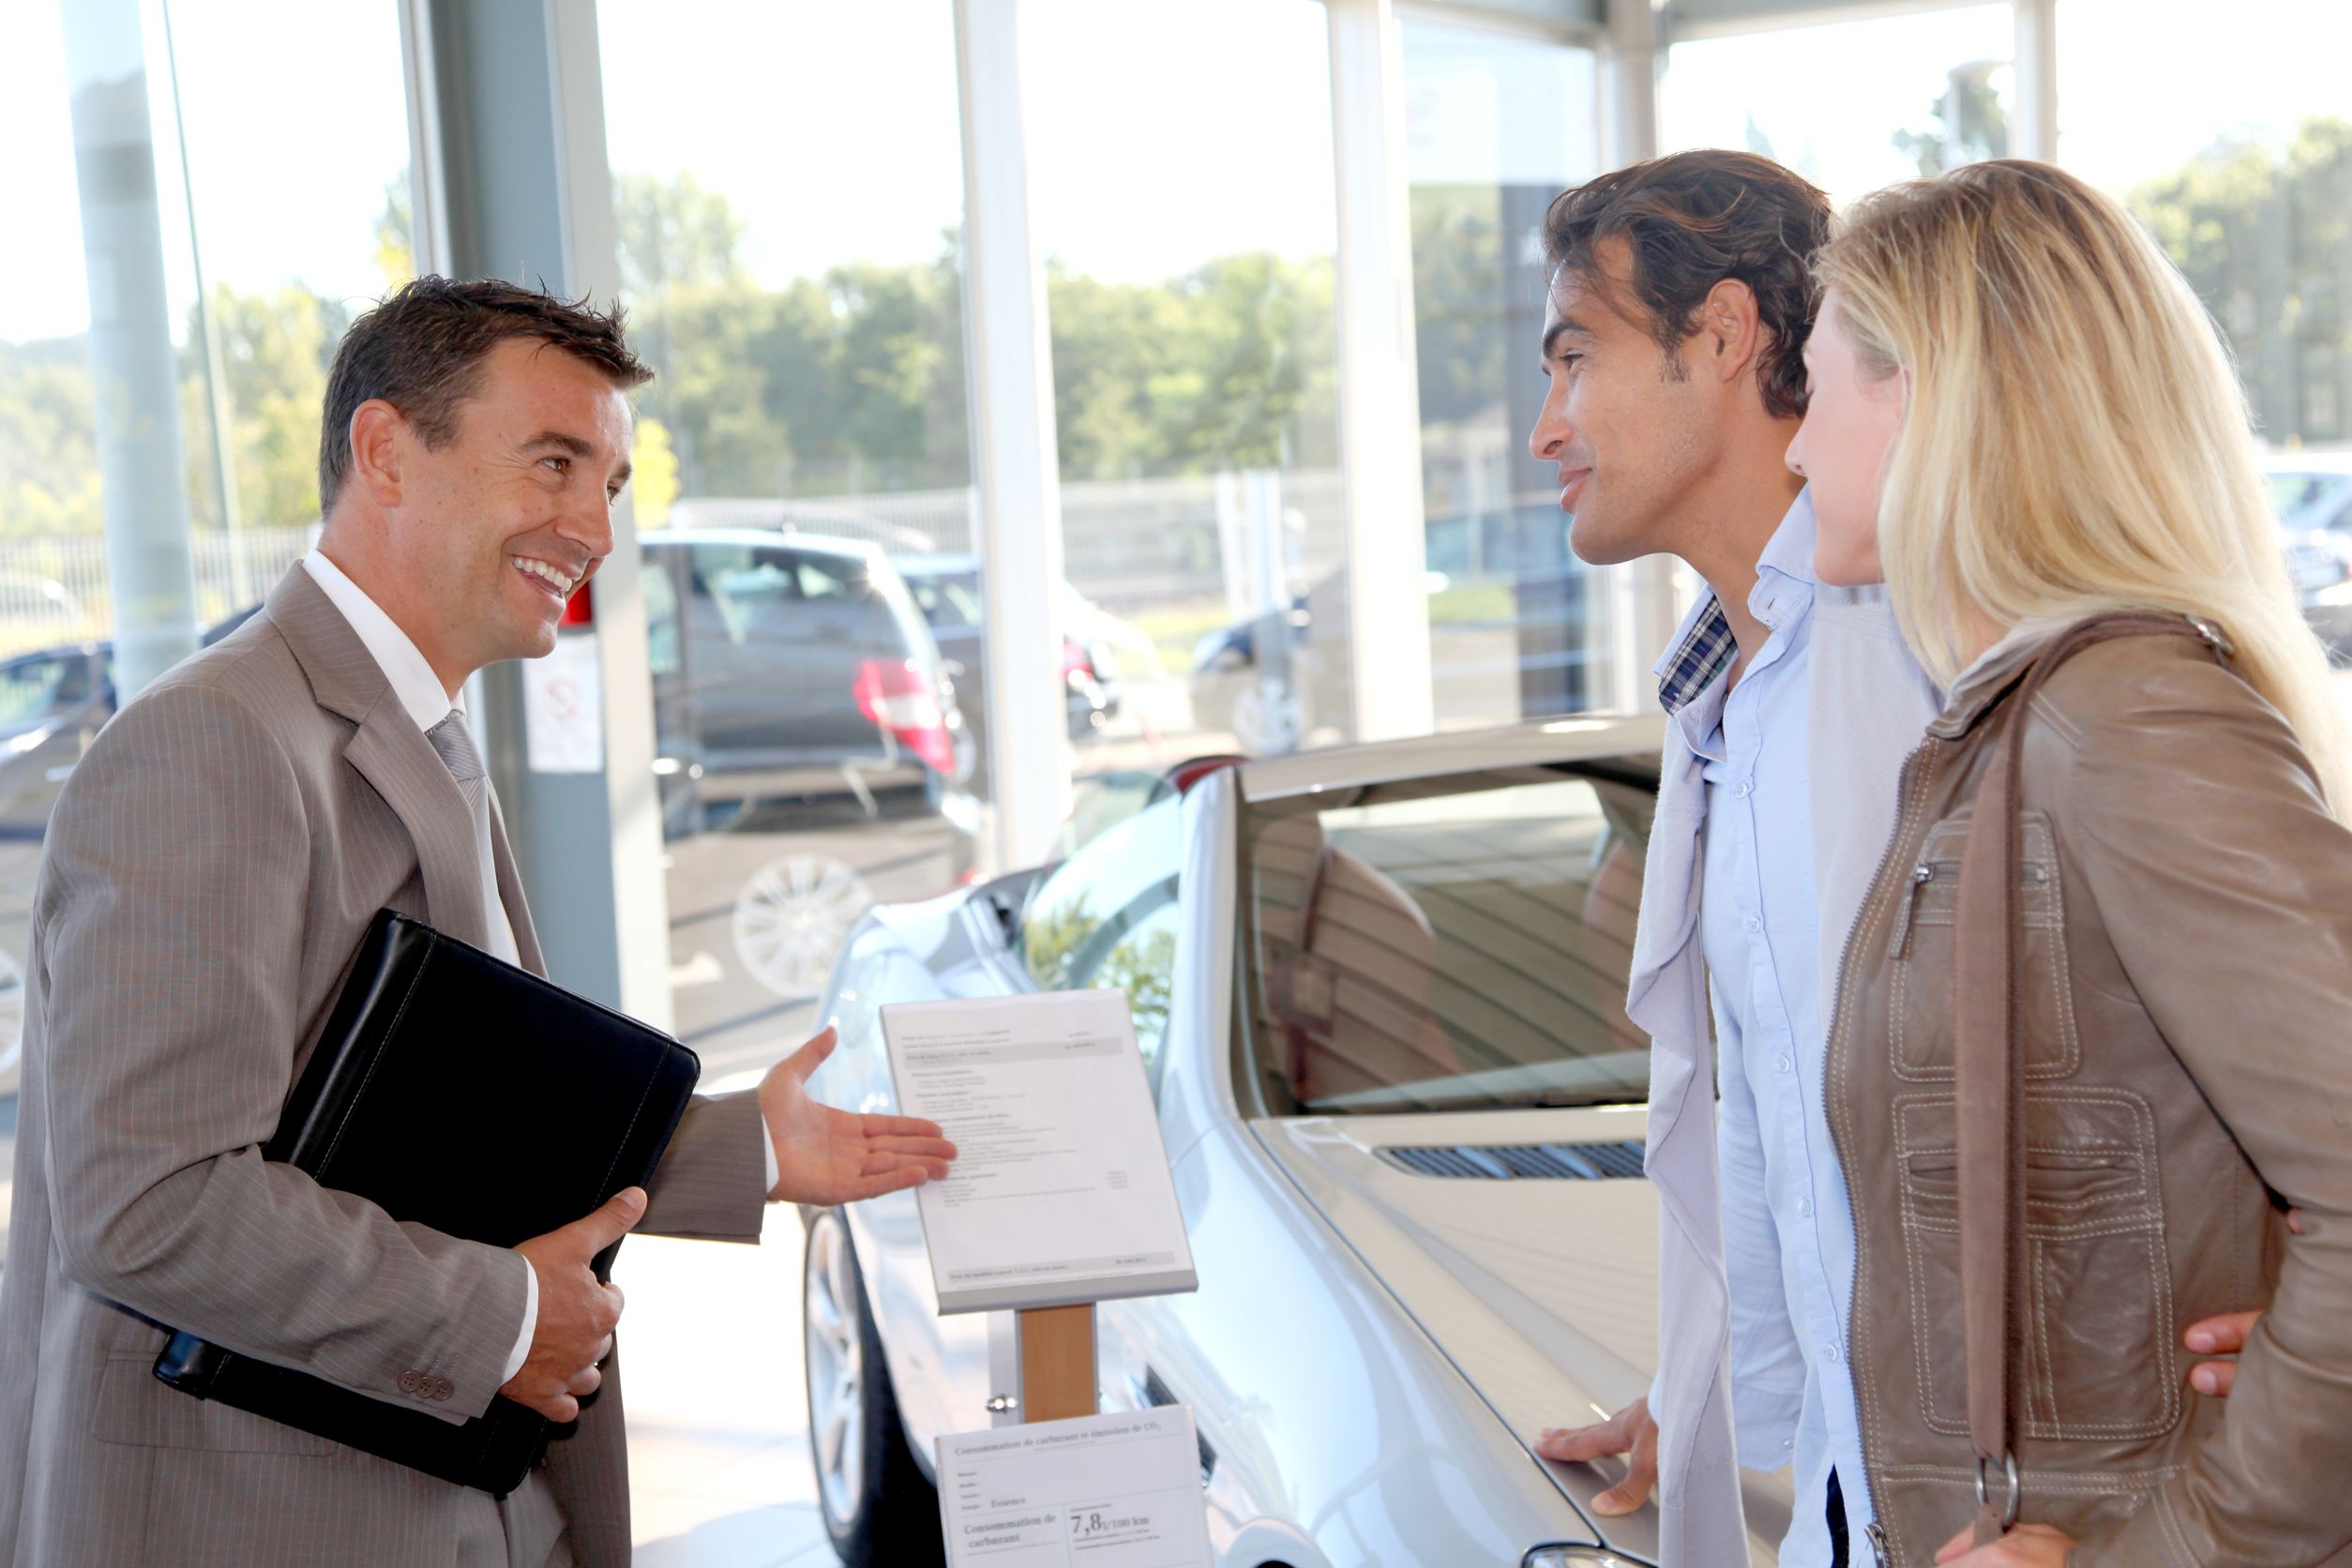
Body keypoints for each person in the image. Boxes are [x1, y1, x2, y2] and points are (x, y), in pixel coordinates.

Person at [0, 277, 956, 1568]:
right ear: (386, 452)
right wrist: (503, 1319)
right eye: (553, 462)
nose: (592, 527)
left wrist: (745, 1151)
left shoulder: (417, 727)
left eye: (608, 485)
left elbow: (423, 1136)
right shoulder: (213, 742)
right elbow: (151, 1201)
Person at [1791, 158, 2352, 1565]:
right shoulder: (2021, 728)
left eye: (1816, 389)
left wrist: (2180, 1548)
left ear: (1928, 395)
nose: (1795, 449)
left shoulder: (2128, 721)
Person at [1521, 149, 1944, 1566]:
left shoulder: (1924, 657)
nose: (1547, 426)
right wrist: (1695, 1387)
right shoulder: (1727, 690)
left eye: (1576, 357)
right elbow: (1782, 1136)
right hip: (1858, 1486)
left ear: (1721, 339)